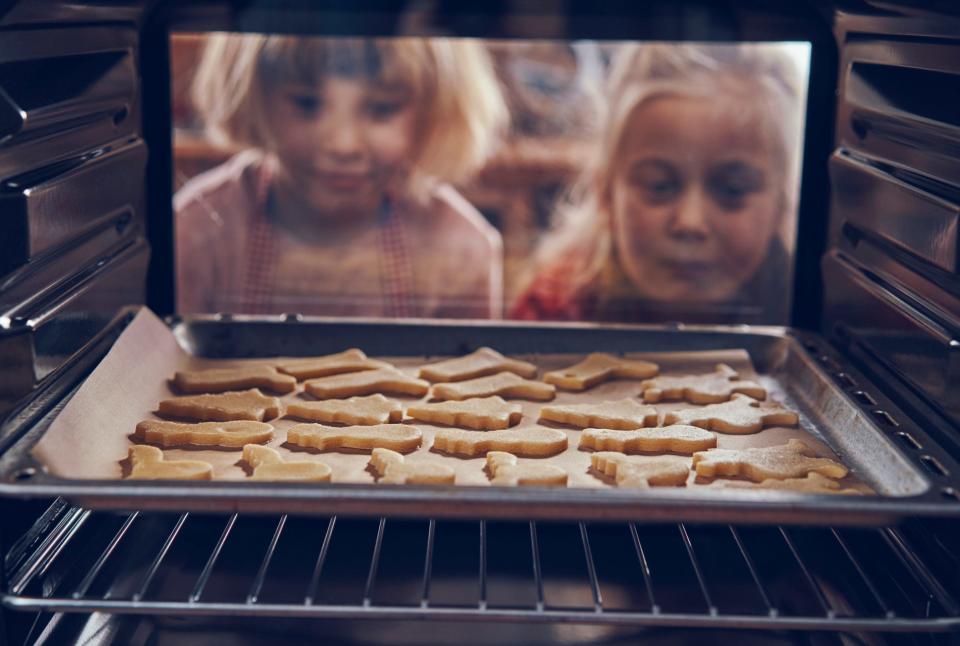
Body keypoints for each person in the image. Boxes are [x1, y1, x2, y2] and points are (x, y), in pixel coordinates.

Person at [175, 35, 508, 318]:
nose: (343, 144)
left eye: (382, 109)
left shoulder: (462, 250)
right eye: (307, 104)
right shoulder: (194, 230)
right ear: (256, 93)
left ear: (433, 108)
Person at [511, 43, 805, 324]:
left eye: (733, 189)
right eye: (659, 186)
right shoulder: (555, 306)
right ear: (606, 192)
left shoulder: (809, 306)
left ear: (783, 202)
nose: (690, 222)